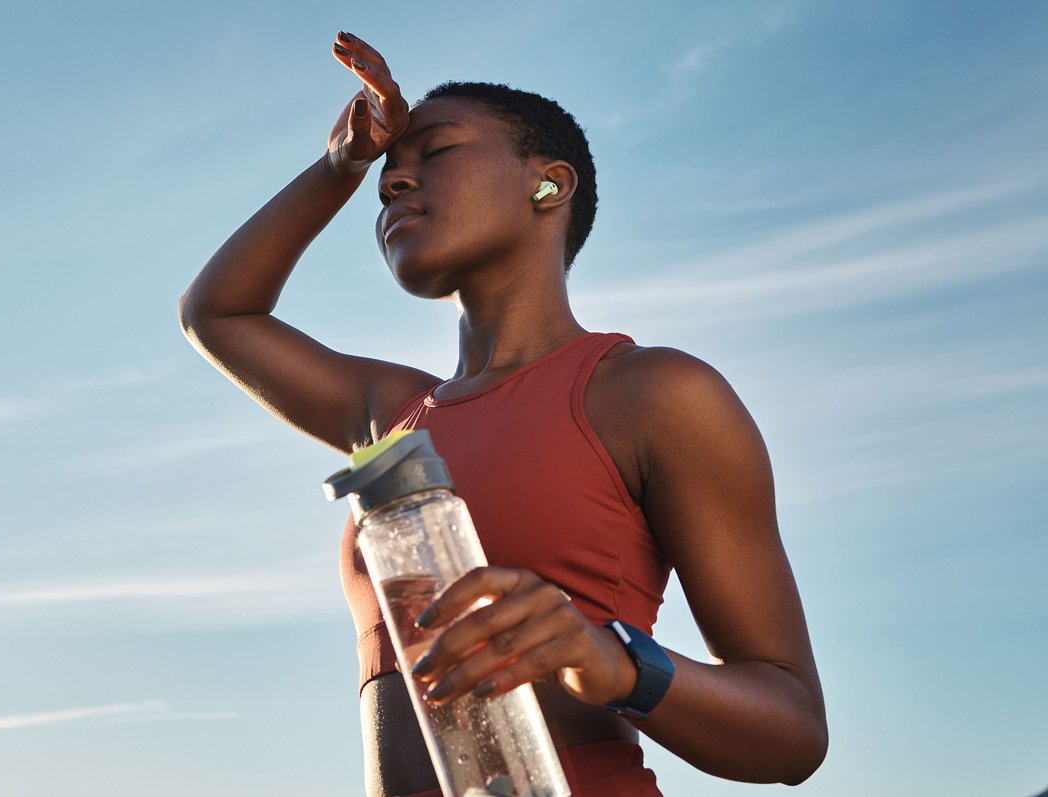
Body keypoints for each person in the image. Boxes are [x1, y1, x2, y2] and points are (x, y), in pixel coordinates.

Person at [179, 31, 827, 797]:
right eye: (389, 169)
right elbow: (218, 313)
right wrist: (340, 165)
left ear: (548, 186)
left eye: (435, 151)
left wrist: (613, 660)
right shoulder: (395, 414)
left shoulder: (651, 394)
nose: (395, 182)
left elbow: (791, 733)